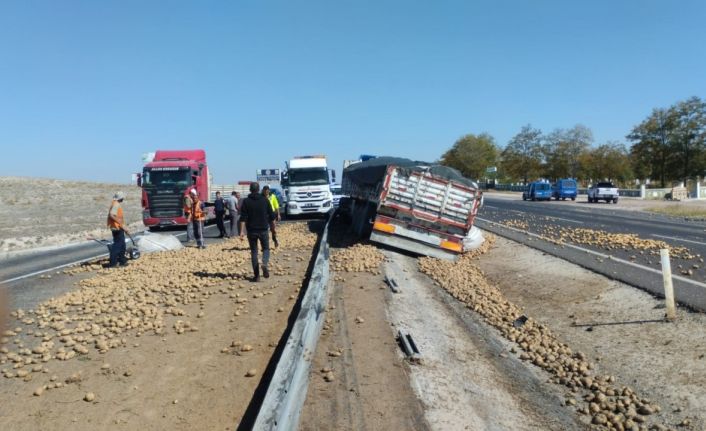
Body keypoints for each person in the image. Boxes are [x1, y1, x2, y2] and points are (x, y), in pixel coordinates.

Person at [239, 182, 275, 281]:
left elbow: (243, 218)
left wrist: (241, 232)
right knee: (266, 249)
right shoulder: (265, 200)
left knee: (254, 252)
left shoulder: (246, 201)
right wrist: (273, 228)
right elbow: (272, 216)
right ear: (259, 189)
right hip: (263, 229)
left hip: (251, 231)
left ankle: (257, 276)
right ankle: (264, 263)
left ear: (250, 190)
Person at [106, 191, 129, 267]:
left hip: (117, 227)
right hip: (117, 227)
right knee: (117, 246)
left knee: (122, 245)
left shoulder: (114, 203)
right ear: (121, 198)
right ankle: (113, 263)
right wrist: (120, 223)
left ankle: (122, 261)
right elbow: (112, 215)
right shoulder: (116, 204)